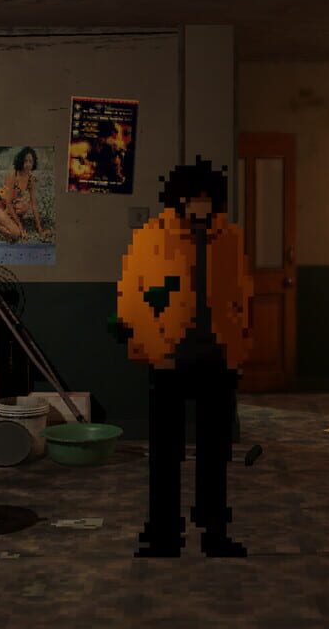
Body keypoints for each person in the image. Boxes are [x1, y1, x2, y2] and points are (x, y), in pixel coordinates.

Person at [112, 156, 254, 558]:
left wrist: (241, 350)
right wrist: (146, 347)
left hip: (218, 361)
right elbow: (131, 297)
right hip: (168, 361)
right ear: (179, 199)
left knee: (215, 456)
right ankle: (163, 534)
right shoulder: (151, 237)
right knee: (164, 455)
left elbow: (244, 296)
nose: (200, 205)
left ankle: (214, 532)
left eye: (207, 197)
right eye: (194, 197)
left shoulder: (231, 239)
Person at [0, 147, 49, 242]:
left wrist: (40, 229)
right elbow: (8, 203)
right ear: (21, 161)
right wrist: (20, 226)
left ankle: (1, 219)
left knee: (24, 206)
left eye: (30, 161)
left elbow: (34, 204)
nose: (28, 164)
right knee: (16, 233)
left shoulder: (30, 179)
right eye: (25, 161)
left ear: (33, 163)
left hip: (6, 207)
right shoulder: (13, 176)